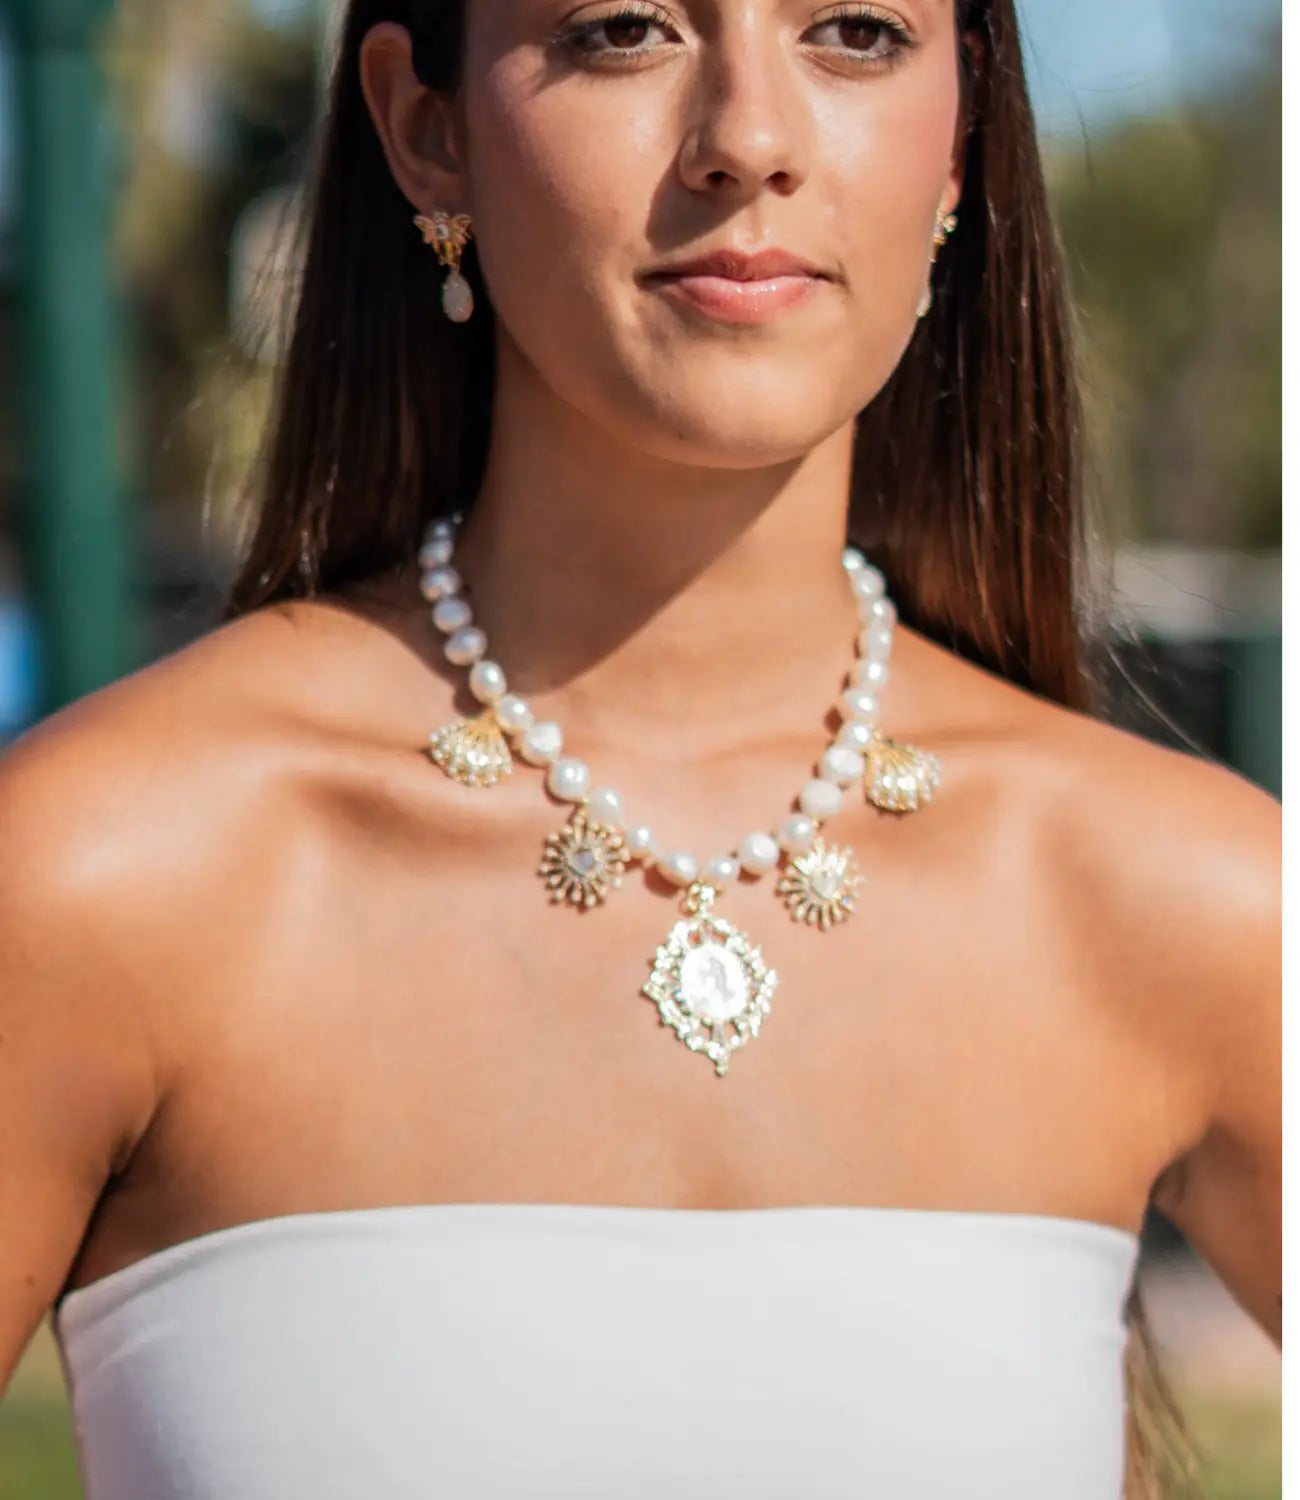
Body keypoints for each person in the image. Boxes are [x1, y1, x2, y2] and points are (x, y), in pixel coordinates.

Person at [0, 0, 1280, 1495]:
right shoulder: (97, 877)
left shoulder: (1189, 902)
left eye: (857, 33)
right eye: (624, 30)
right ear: (428, 129)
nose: (748, 139)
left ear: (965, 141)